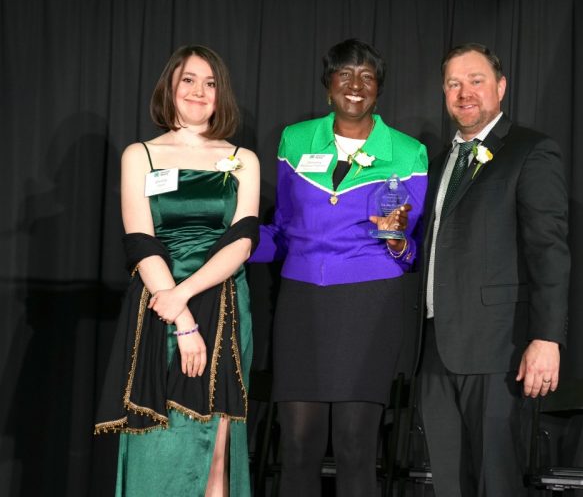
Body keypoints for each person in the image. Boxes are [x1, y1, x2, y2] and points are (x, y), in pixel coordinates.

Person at [248, 38, 428, 496]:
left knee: (354, 446)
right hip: (302, 302)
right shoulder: (295, 140)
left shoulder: (408, 153)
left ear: (379, 88)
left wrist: (395, 239)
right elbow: (285, 228)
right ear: (328, 83)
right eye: (344, 74)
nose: (355, 85)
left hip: (368, 305)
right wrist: (230, 246)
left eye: (367, 76)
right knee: (299, 447)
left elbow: (409, 249)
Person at [94, 45, 260, 497]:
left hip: (221, 303)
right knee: (158, 444)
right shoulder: (139, 155)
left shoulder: (242, 158)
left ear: (220, 94)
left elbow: (242, 241)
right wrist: (179, 315)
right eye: (188, 79)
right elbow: (141, 242)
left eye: (210, 83)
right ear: (170, 86)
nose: (199, 91)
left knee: (215, 446)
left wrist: (186, 294)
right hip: (159, 304)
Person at [418, 43, 570, 496]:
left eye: (476, 80)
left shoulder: (531, 150)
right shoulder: (440, 161)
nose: (465, 92)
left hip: (497, 349)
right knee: (448, 484)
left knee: (495, 484)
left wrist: (547, 338)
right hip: (434, 352)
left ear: (501, 88)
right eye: (454, 84)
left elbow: (549, 249)